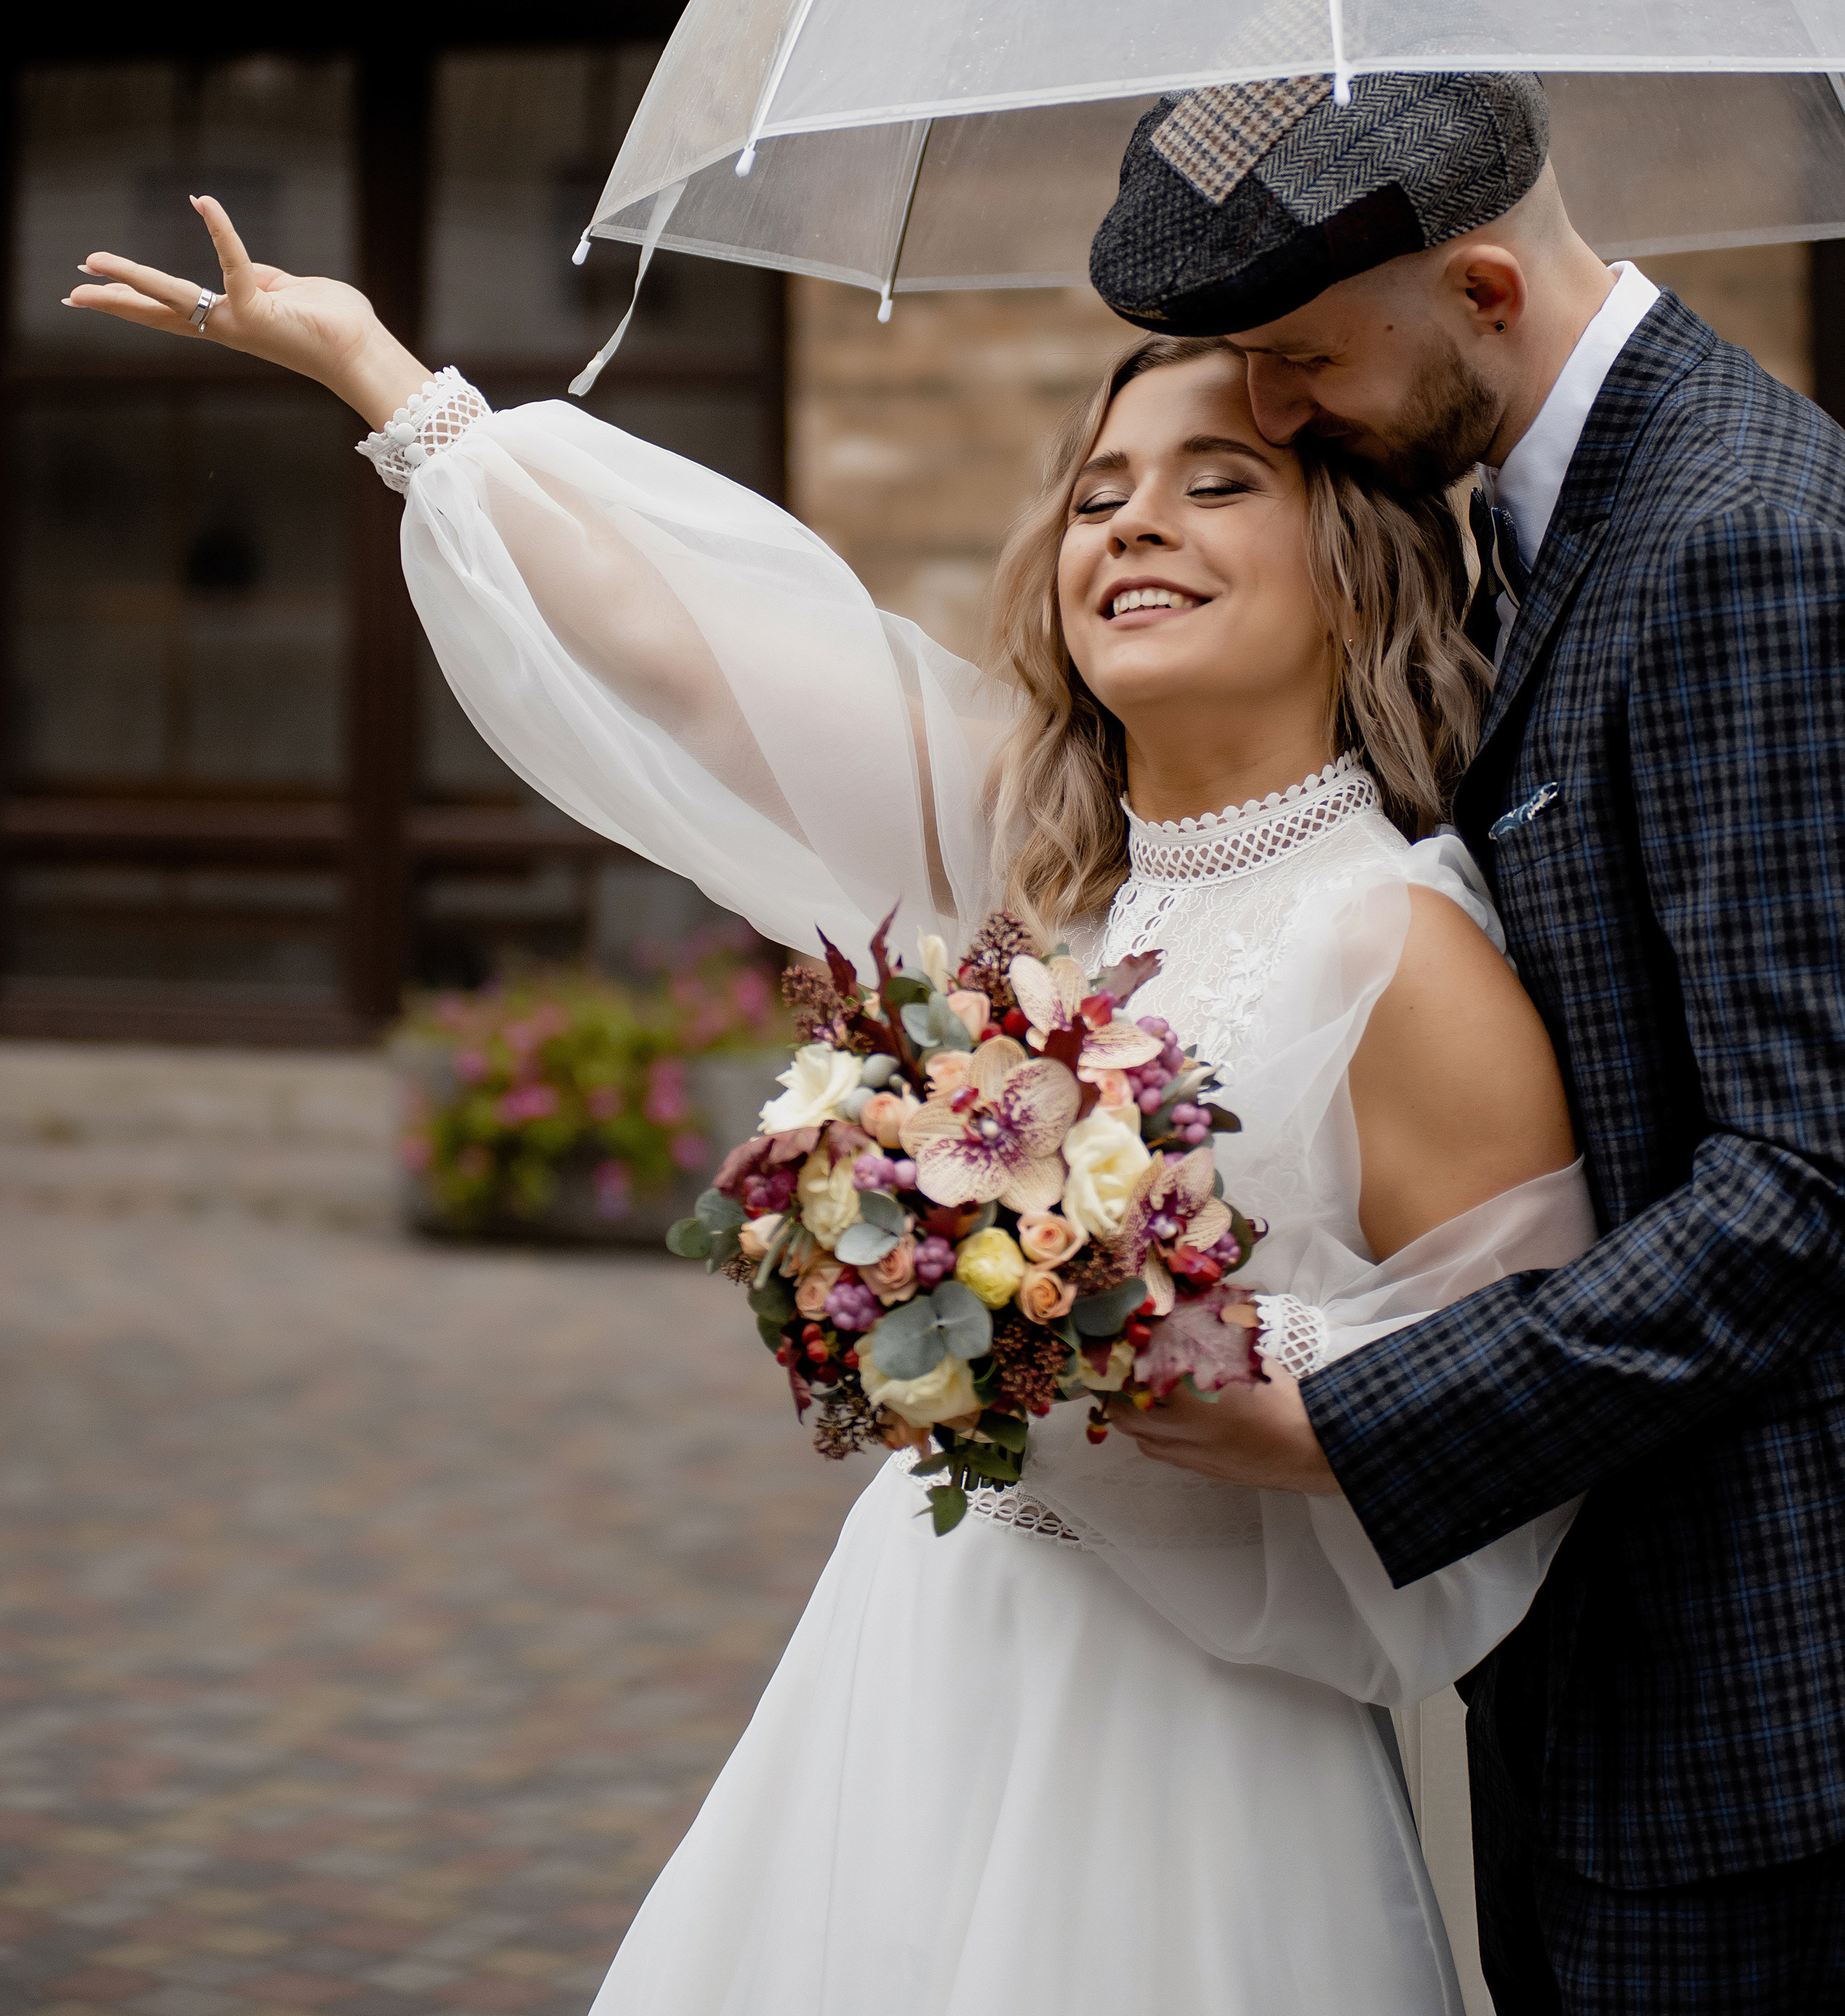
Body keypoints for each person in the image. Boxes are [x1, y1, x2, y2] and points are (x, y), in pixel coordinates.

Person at [67, 195, 1591, 2014]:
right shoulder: (1031, 861)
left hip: (1190, 1741)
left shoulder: (1397, 940)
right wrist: (383, 377)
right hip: (921, 1650)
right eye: (1098, 493)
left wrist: (1199, 1356)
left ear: (1355, 558)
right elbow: (676, 653)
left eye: (1214, 484)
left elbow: (1519, 1378)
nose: (1132, 528)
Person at [1088, 65, 1845, 2014]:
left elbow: (1806, 1180)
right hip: (1619, 1678)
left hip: (1764, 1709)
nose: (1265, 410)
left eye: (1298, 358)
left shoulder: (1735, 541)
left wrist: (1345, 1418)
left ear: (1486, 293)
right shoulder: (1550, 510)